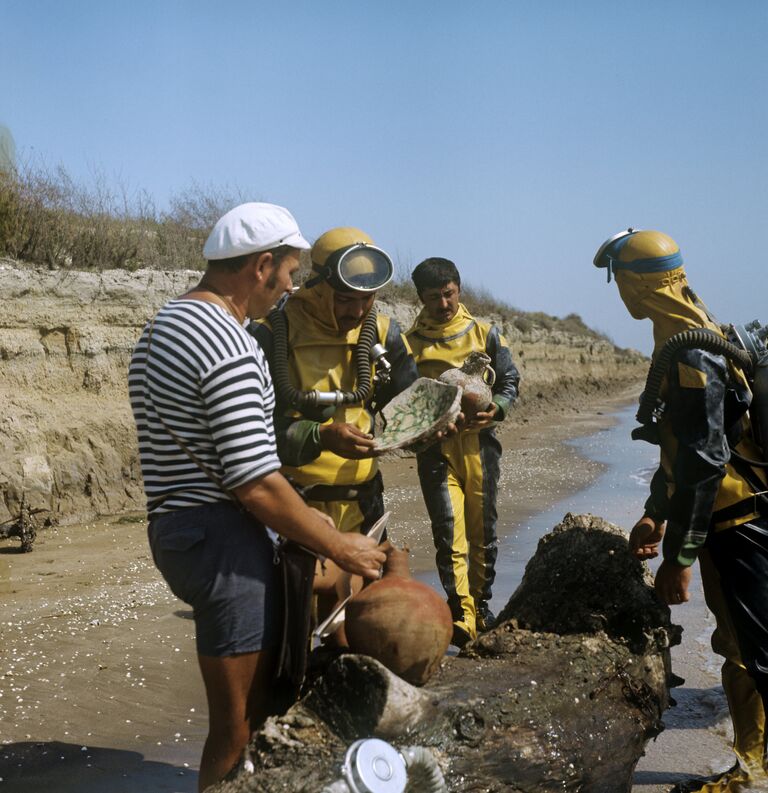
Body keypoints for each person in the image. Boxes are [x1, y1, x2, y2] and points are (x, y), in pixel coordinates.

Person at [128, 203, 386, 792]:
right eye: (291, 273)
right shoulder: (229, 345)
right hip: (223, 544)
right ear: (262, 266)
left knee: (254, 707)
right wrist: (339, 544)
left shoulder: (164, 325)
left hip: (178, 530)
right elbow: (257, 484)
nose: (293, 287)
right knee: (238, 724)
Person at [594, 228, 768, 792]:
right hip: (733, 512)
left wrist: (680, 555)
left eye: (619, 279)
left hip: (735, 522)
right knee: (746, 645)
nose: (618, 292)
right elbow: (684, 448)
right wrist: (655, 510)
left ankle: (751, 771)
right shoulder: (693, 331)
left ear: (640, 284)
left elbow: (704, 465)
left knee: (752, 651)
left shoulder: (690, 352)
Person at [249, 227, 418, 541]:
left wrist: (438, 424)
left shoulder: (383, 333)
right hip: (294, 509)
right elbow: (247, 433)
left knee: (372, 591)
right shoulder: (272, 333)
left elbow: (413, 405)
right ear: (319, 286)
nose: (356, 311)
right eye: (344, 300)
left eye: (367, 299)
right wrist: (319, 436)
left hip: (365, 506)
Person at [407, 258, 520, 647]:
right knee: (448, 534)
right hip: (436, 452)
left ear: (459, 288)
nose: (443, 303)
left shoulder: (486, 333)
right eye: (434, 297)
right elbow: (404, 400)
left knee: (482, 531)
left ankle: (482, 606)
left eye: (449, 293)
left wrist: (498, 408)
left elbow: (509, 381)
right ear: (420, 297)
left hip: (481, 448)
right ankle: (461, 613)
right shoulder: (411, 343)